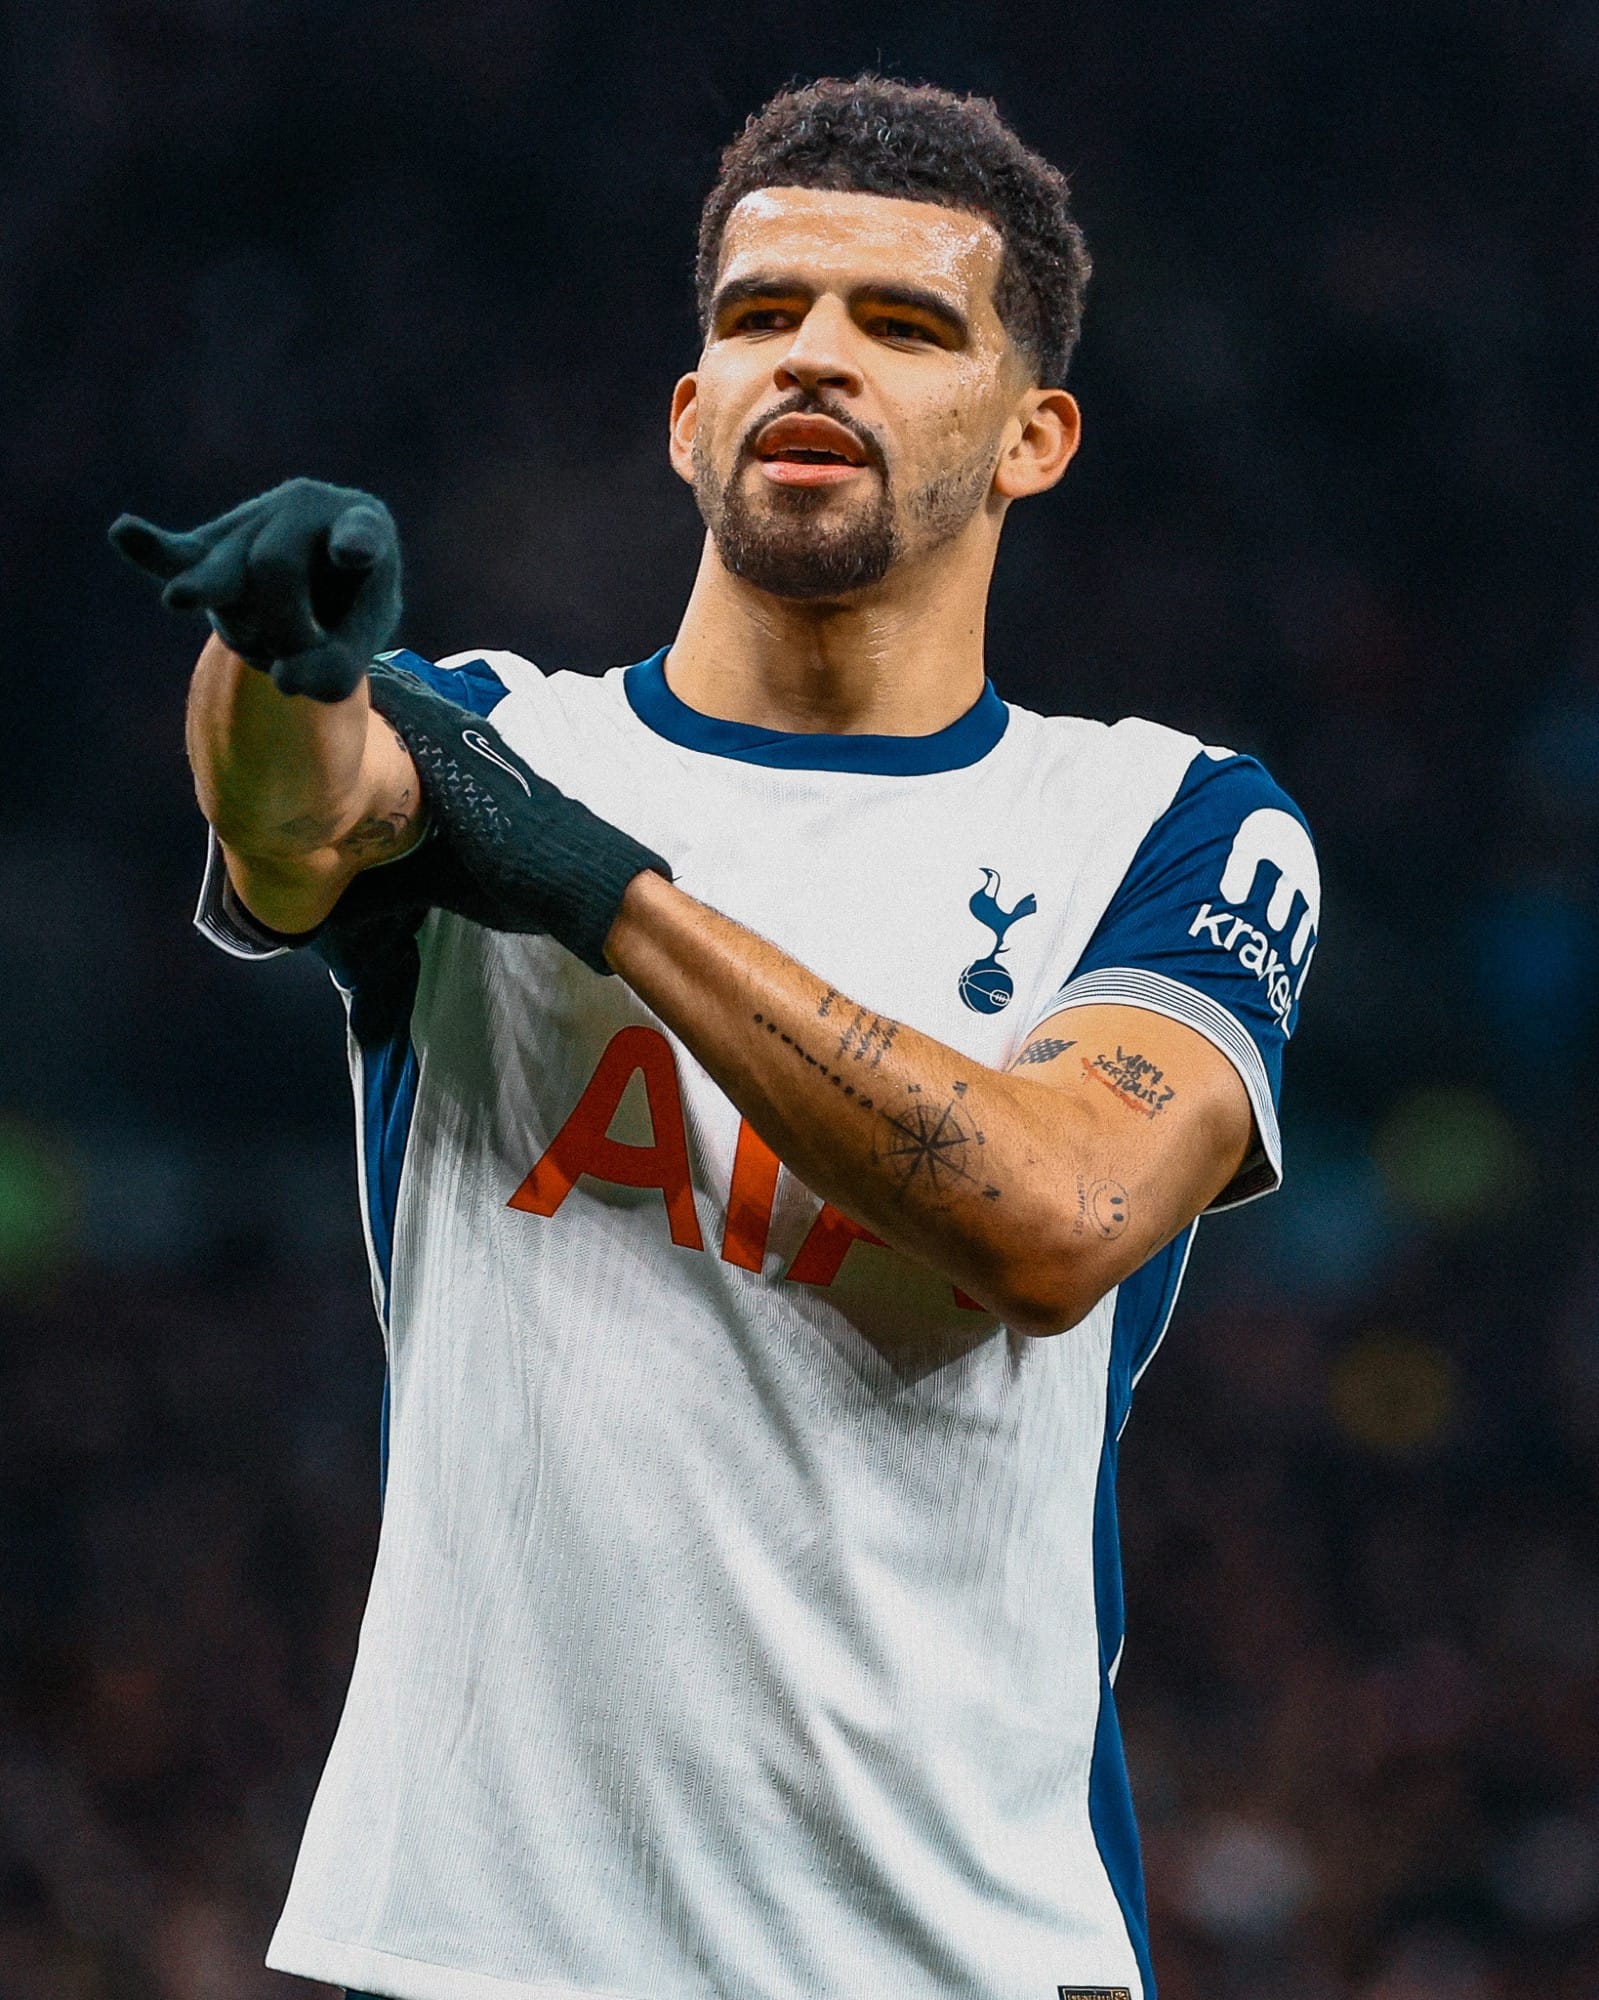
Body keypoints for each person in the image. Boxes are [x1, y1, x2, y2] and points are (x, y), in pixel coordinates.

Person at [114, 74, 1319, 2000]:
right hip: (463, 1953)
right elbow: (295, 803)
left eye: (904, 325)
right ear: (691, 417)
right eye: (762, 318)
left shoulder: (1168, 823)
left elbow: (1058, 1214)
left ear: (1035, 437)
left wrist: (601, 891)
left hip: (960, 1954)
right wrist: (276, 656)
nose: (814, 358)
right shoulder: (494, 732)